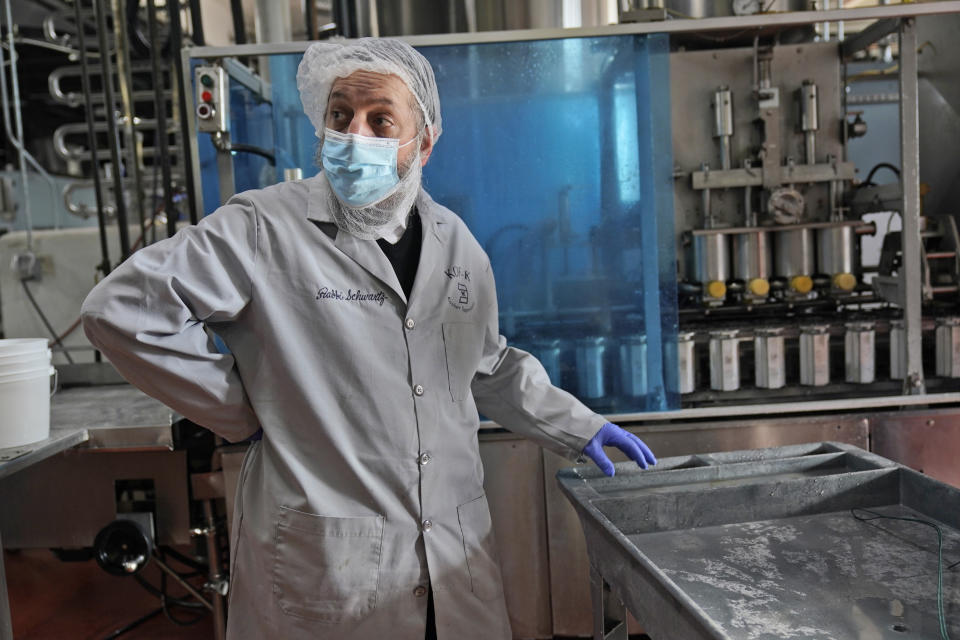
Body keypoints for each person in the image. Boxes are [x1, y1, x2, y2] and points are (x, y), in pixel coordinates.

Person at [80, 38, 656, 640]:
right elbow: (122, 312)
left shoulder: (455, 242)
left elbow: (484, 364)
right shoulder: (263, 226)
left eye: (380, 119)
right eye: (339, 116)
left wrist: (580, 425)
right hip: (328, 568)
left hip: (452, 559)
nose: (354, 135)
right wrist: (242, 410)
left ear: (425, 142)